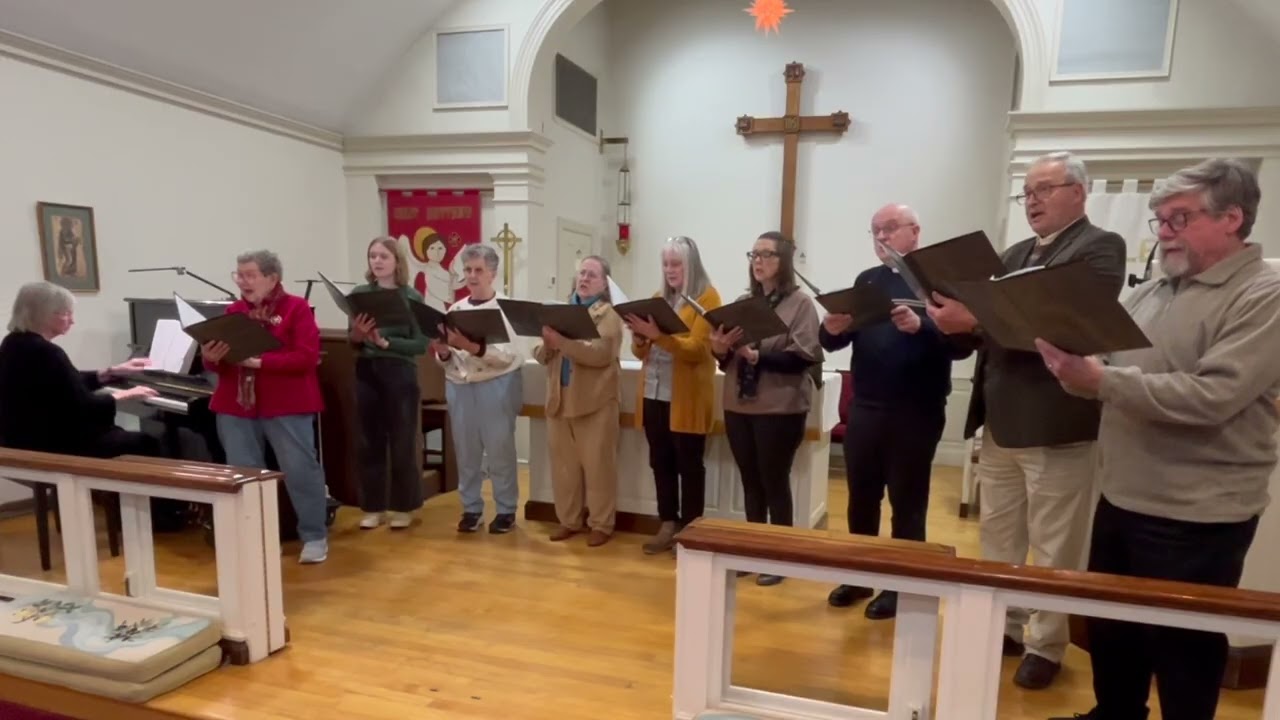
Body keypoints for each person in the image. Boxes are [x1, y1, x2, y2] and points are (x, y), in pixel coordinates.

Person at [1039, 159, 1280, 720]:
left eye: (1179, 218)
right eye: (1159, 220)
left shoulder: (1264, 292)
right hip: (1123, 493)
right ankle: (1116, 714)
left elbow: (1214, 396)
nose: (1164, 232)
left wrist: (1101, 380)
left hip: (1197, 511)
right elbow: (1108, 374)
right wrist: (1075, 369)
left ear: (1232, 219)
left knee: (1183, 650)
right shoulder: (1152, 291)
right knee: (1112, 629)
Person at [928, 151, 1127, 689]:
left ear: (1079, 194)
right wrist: (952, 321)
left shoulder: (1100, 248)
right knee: (999, 534)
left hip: (1056, 418)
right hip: (1000, 417)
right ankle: (1009, 625)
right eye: (1028, 192)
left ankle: (1047, 642)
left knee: (1055, 543)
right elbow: (992, 328)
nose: (1032, 201)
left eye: (1045, 189)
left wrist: (977, 316)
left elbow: (1060, 322)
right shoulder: (1014, 252)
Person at [820, 204, 973, 618]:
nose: (882, 237)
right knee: (861, 498)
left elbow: (964, 344)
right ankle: (859, 573)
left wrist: (921, 326)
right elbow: (836, 341)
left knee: (906, 502)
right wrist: (830, 329)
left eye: (890, 228)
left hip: (916, 409)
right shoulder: (866, 281)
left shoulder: (938, 282)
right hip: (866, 406)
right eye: (875, 231)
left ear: (915, 231)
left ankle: (899, 585)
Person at [201, 250, 329, 565]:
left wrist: (259, 362)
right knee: (245, 474)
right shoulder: (233, 312)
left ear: (272, 278)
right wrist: (211, 356)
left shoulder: (296, 309)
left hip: (286, 402)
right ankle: (254, 536)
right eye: (238, 274)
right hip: (236, 405)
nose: (242, 281)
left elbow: (306, 358)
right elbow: (216, 365)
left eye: (249, 275)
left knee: (300, 470)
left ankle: (313, 536)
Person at [711, 231, 823, 586]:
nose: (758, 261)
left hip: (780, 406)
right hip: (739, 403)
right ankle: (753, 551)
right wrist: (719, 348)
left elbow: (804, 357)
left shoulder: (800, 304)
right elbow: (725, 360)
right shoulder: (745, 302)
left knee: (775, 482)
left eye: (767, 254)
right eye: (754, 254)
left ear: (784, 261)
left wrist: (759, 356)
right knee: (750, 481)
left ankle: (780, 557)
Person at [624, 236, 722, 555]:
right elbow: (641, 352)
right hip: (654, 394)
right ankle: (667, 523)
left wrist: (659, 336)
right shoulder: (658, 299)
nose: (669, 270)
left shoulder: (708, 299)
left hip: (687, 397)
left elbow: (697, 350)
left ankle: (691, 531)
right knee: (660, 462)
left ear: (691, 265)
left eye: (676, 264)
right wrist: (640, 338)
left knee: (689, 466)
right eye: (665, 263)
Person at [0, 281, 158, 458]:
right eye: (66, 313)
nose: (72, 320)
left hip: (22, 438)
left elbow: (62, 384)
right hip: (51, 444)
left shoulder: (13, 342)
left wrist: (108, 372)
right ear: (44, 314)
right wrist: (127, 394)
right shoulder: (47, 351)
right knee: (147, 443)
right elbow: (84, 406)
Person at [433, 244, 524, 534]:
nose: (472, 276)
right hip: (461, 386)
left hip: (497, 384)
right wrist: (444, 352)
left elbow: (510, 355)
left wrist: (471, 346)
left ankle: (506, 508)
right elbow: (450, 359)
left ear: (493, 273)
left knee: (499, 450)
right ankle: (471, 507)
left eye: (478, 270)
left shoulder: (506, 308)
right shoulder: (456, 310)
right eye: (468, 270)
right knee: (466, 451)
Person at [533, 255, 624, 547]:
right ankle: (569, 521)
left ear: (604, 283)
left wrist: (563, 344)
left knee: (598, 468)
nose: (584, 279)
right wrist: (547, 346)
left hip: (595, 402)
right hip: (560, 399)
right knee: (564, 468)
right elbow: (540, 354)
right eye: (581, 273)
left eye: (592, 275)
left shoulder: (608, 315)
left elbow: (600, 354)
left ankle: (601, 524)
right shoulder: (561, 311)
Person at [350, 236, 429, 530]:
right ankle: (373, 506)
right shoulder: (360, 293)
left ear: (397, 261)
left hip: (400, 372)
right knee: (369, 440)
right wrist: (359, 336)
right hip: (367, 370)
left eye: (384, 256)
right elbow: (353, 341)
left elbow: (420, 344)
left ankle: (403, 506)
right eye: (373, 256)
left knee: (401, 440)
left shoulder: (411, 297)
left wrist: (386, 342)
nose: (377, 261)